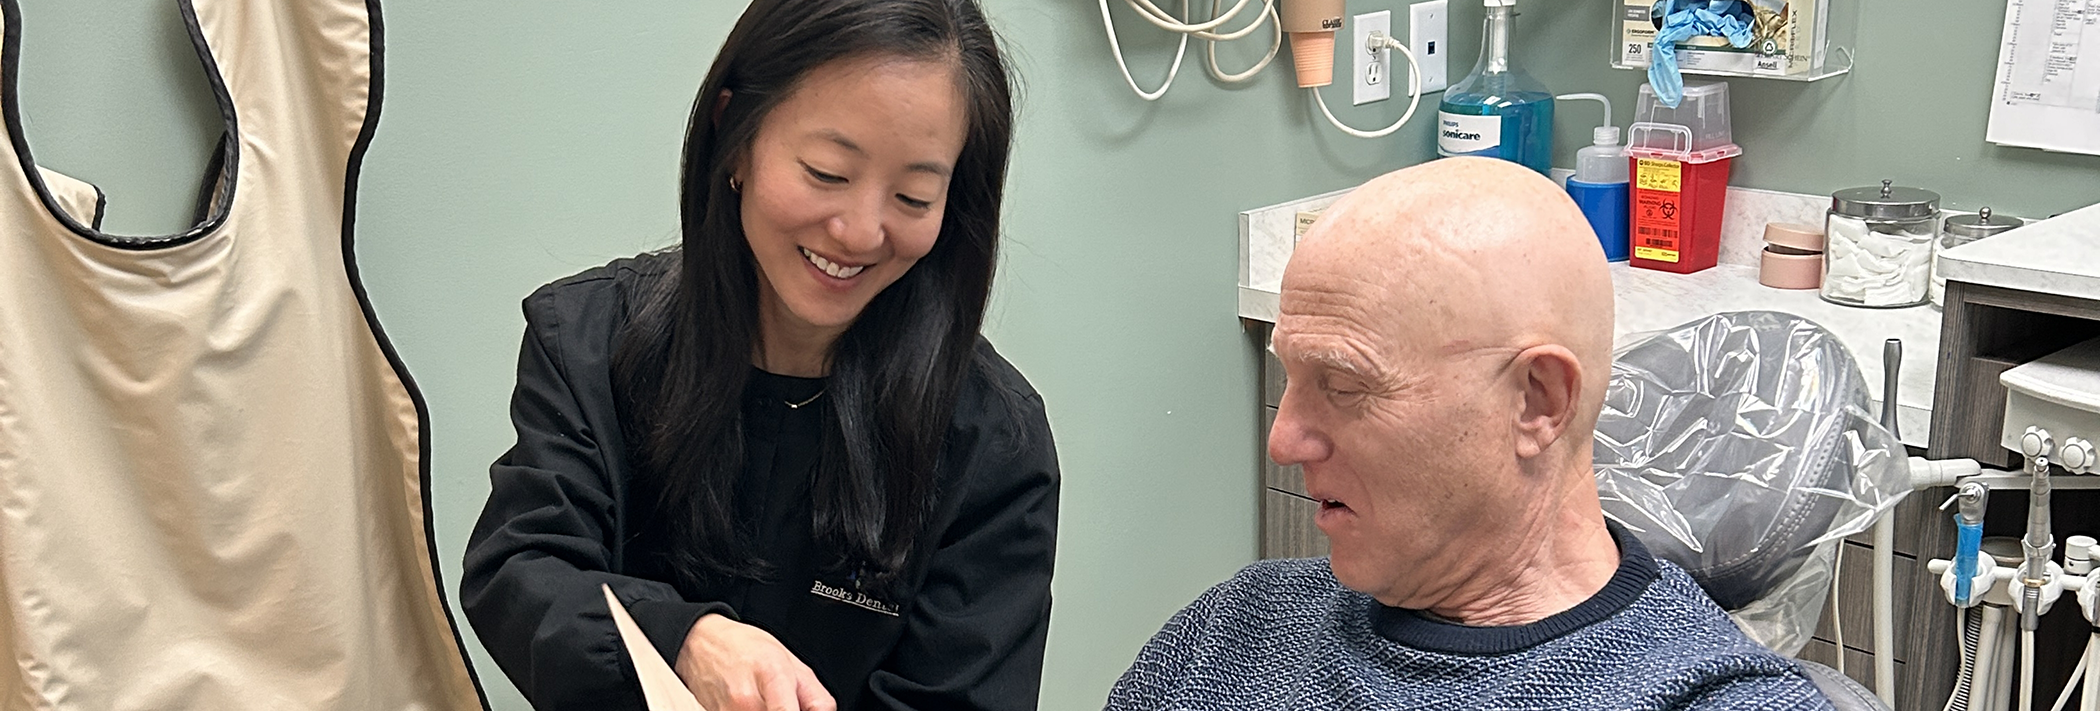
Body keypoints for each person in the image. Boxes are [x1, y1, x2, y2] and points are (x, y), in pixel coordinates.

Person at [459, 2, 1059, 710]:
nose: (861, 232)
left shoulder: (992, 441)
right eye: (828, 172)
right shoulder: (588, 339)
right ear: (734, 134)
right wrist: (682, 637)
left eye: (912, 195)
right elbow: (524, 566)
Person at [1105, 158, 1833, 711]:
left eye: (1344, 385)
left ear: (1537, 402)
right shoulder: (1231, 635)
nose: (1285, 439)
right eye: (1291, 379)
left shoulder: (1712, 699)